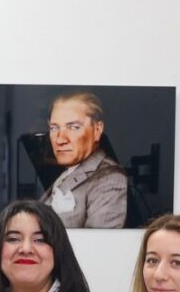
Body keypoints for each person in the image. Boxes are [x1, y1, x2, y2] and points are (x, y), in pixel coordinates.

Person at [39, 91, 128, 229]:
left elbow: (98, 241)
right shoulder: (67, 172)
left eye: (73, 127)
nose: (60, 139)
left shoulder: (109, 178)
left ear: (97, 130)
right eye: (54, 128)